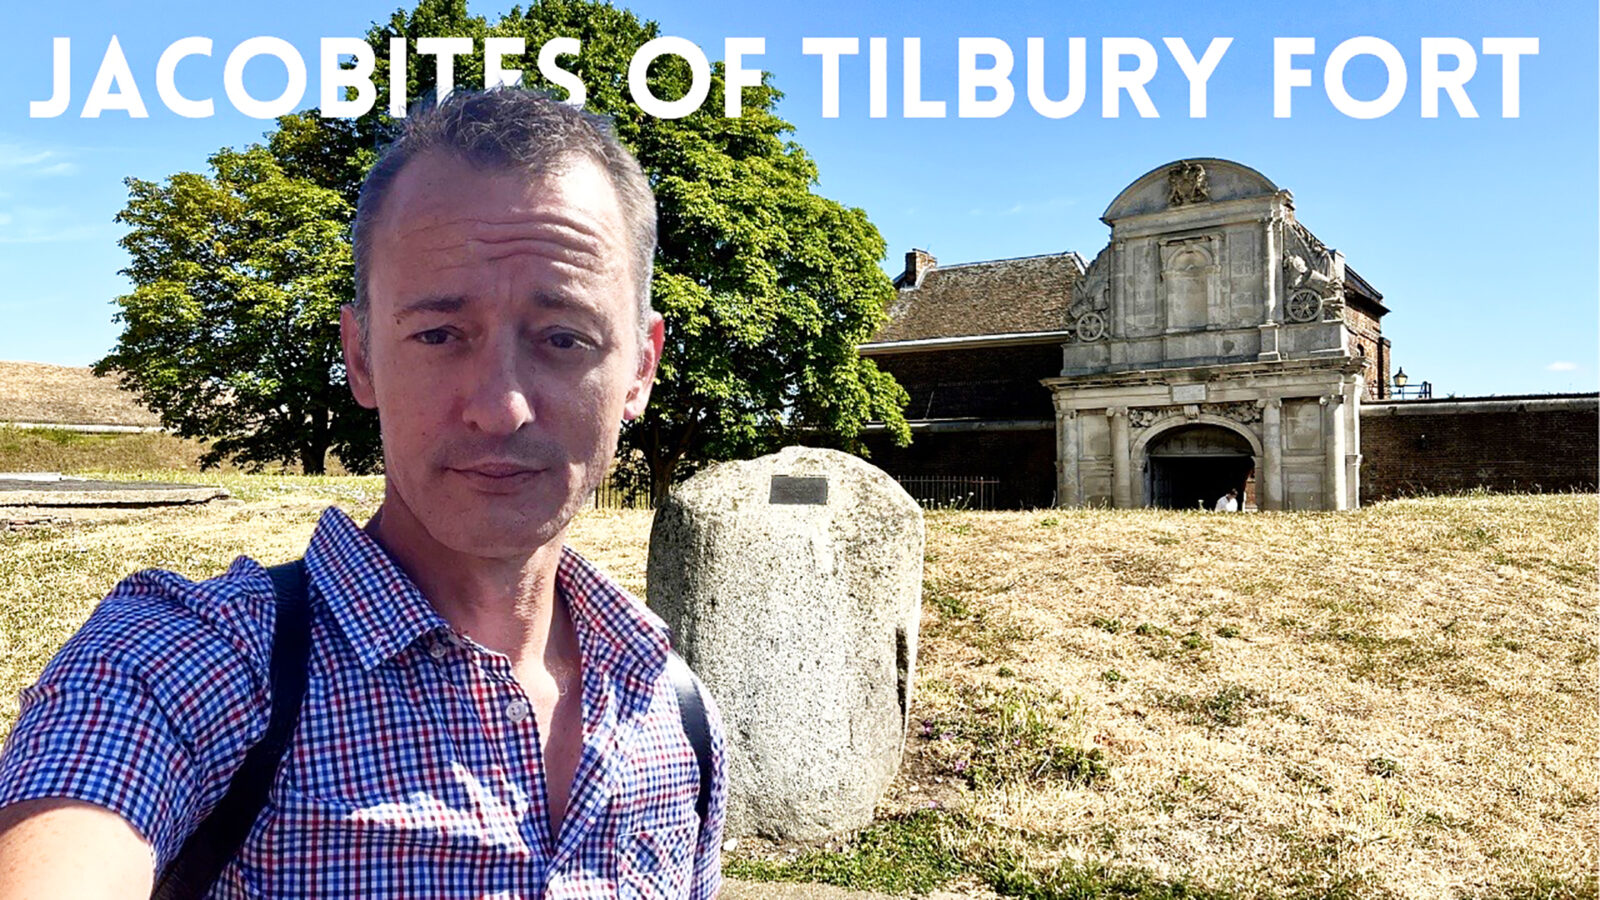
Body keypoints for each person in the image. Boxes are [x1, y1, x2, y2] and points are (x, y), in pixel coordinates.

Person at [0, 88, 725, 898]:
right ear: (362, 356)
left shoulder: (677, 716)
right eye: (439, 335)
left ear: (640, 368)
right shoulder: (185, 667)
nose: (500, 407)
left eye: (564, 338)